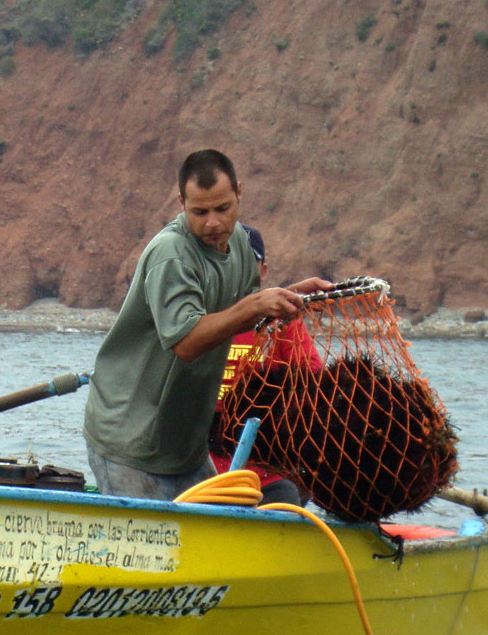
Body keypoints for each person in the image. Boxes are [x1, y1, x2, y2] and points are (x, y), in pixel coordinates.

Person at [83, 149, 333, 500]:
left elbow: (242, 313)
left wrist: (288, 296)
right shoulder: (172, 254)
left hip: (185, 446)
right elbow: (187, 342)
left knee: (212, 525)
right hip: (129, 443)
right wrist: (256, 303)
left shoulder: (241, 244)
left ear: (239, 193)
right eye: (200, 212)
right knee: (150, 537)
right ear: (182, 203)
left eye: (222, 208)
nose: (213, 223)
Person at [209, 224, 320, 506]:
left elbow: (314, 382)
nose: (239, 269)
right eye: (230, 259)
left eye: (248, 261)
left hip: (263, 473)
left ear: (263, 271)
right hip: (199, 467)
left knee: (288, 498)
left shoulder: (281, 322)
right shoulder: (199, 317)